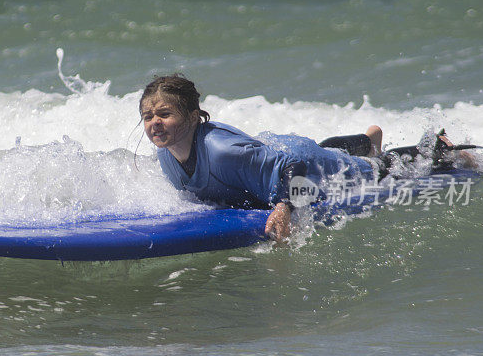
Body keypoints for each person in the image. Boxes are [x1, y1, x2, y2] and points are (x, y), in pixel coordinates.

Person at [139, 74, 388, 242]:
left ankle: (414, 152)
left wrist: (284, 207)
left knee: (377, 171)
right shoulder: (165, 152)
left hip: (304, 165)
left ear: (193, 117)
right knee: (328, 151)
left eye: (164, 114)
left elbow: (295, 166)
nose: (155, 123)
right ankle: (367, 141)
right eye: (148, 117)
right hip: (277, 152)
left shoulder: (223, 151)